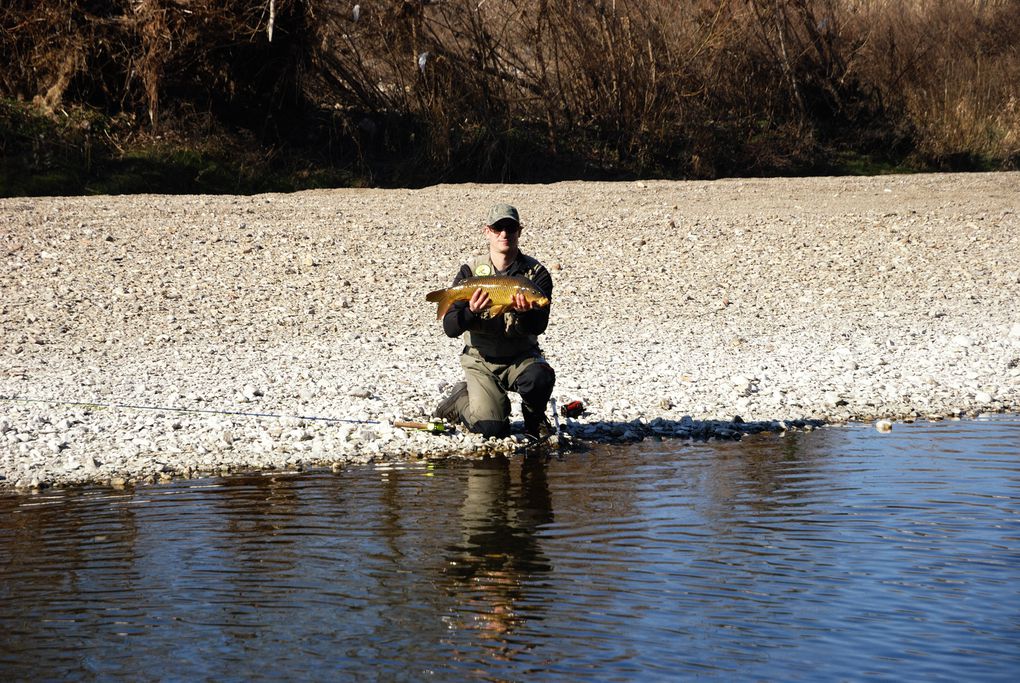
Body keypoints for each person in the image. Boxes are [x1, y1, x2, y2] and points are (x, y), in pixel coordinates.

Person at [433, 203, 556, 439]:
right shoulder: (469, 271)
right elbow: (450, 328)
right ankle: (460, 400)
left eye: (510, 228)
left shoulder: (536, 274)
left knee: (540, 376)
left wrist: (523, 312)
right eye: (498, 228)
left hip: (521, 357)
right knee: (492, 429)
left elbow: (540, 325)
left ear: (519, 231)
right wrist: (470, 311)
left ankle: (534, 418)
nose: (504, 234)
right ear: (487, 231)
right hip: (481, 361)